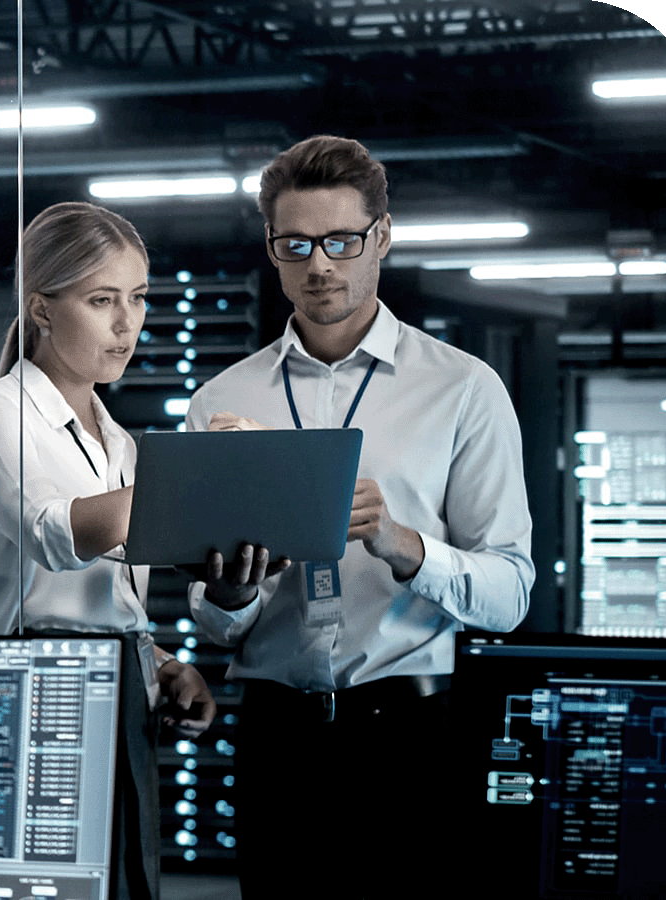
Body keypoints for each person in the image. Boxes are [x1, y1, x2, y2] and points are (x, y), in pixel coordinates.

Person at [183, 135, 535, 898]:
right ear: (272, 249)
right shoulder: (220, 402)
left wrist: (406, 545)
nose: (319, 266)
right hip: (277, 740)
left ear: (381, 237)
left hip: (413, 741)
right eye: (296, 244)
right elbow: (212, 621)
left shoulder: (463, 389)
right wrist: (235, 594)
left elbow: (510, 598)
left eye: (341, 241)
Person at [0, 200, 218, 900]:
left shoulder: (121, 442)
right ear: (42, 310)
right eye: (102, 300)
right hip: (31, 688)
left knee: (129, 885)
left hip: (118, 689)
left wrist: (162, 663)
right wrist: (201, 474)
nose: (126, 323)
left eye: (137, 299)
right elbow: (57, 536)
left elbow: (110, 599)